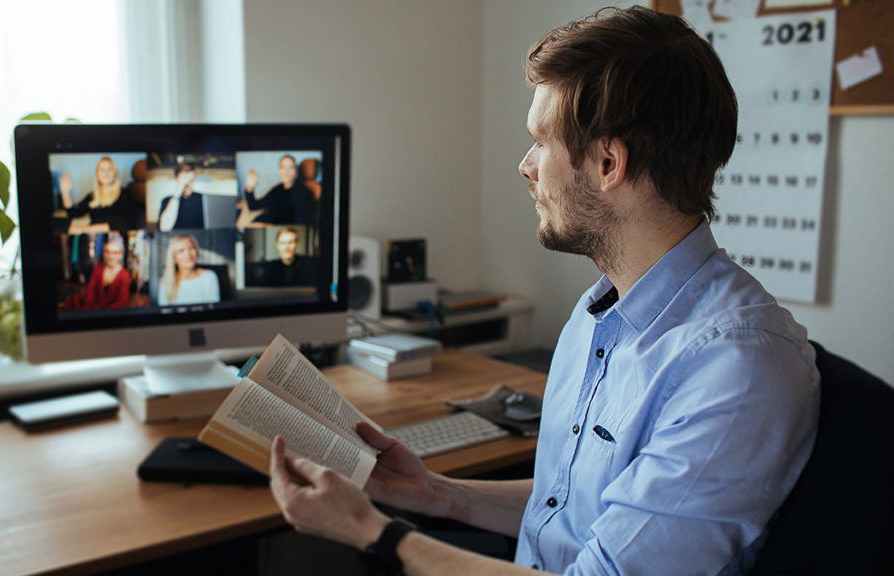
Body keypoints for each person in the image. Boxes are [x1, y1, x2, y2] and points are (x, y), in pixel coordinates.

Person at [267, 6, 820, 576]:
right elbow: (575, 510)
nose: (526, 166)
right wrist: (434, 493)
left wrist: (371, 532)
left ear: (609, 162)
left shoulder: (737, 368)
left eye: (541, 142)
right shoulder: (599, 312)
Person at [60, 156, 134, 233]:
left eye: (109, 169)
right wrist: (66, 193)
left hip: (114, 238)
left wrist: (85, 229)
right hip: (93, 237)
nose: (106, 173)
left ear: (115, 173)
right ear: (97, 174)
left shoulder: (124, 194)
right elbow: (73, 213)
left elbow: (124, 223)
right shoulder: (92, 196)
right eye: (102, 170)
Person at [237, 155, 316, 226]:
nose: (286, 171)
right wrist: (250, 187)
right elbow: (254, 206)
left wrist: (270, 225)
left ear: (296, 171)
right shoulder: (276, 189)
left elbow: (300, 223)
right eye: (283, 167)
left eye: (290, 167)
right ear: (279, 171)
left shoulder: (305, 193)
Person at [157, 234, 220, 306]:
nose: (188, 254)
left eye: (191, 248)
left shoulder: (209, 277)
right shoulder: (165, 282)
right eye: (181, 251)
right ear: (174, 258)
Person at [79, 235, 131, 309]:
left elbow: (122, 302)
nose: (111, 256)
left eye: (115, 253)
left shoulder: (124, 275)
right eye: (108, 252)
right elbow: (90, 294)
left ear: (121, 255)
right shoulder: (98, 269)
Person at [158, 162, 205, 231]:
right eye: (184, 179)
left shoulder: (203, 199)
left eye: (191, 180)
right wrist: (179, 189)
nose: (188, 183)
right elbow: (164, 228)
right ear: (176, 178)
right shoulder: (166, 201)